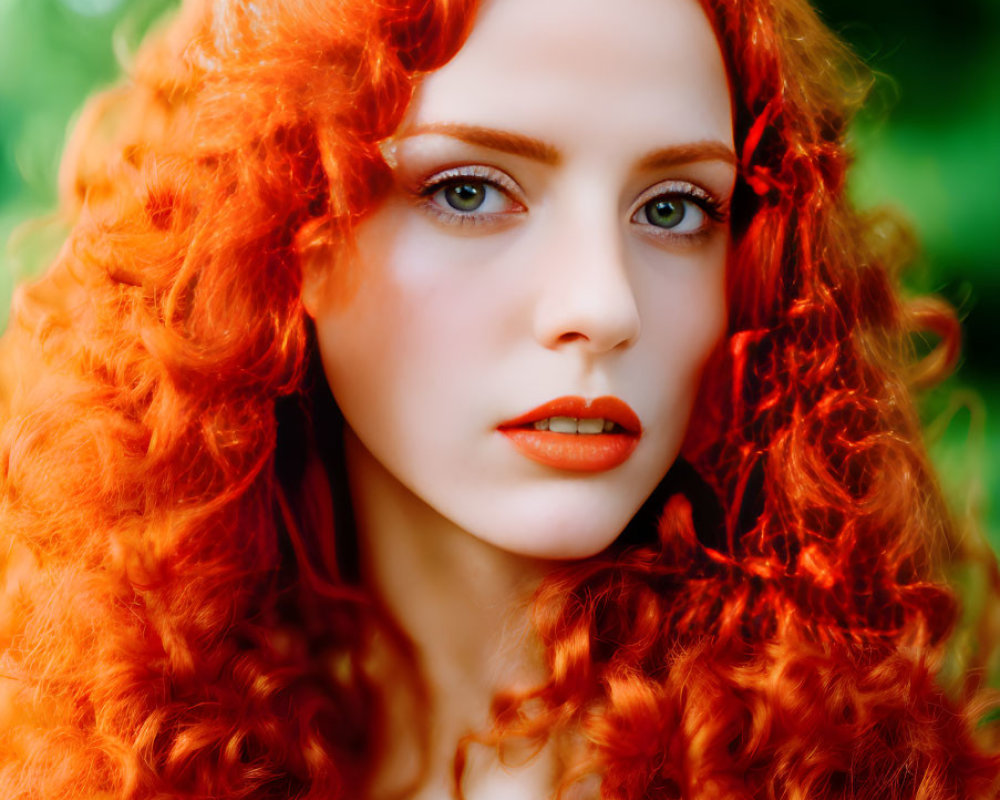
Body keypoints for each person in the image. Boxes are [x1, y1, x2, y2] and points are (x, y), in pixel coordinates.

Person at [0, 0, 997, 797]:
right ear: (284, 232)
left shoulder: (869, 774)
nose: (601, 304)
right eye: (471, 191)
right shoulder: (101, 758)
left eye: (674, 207)